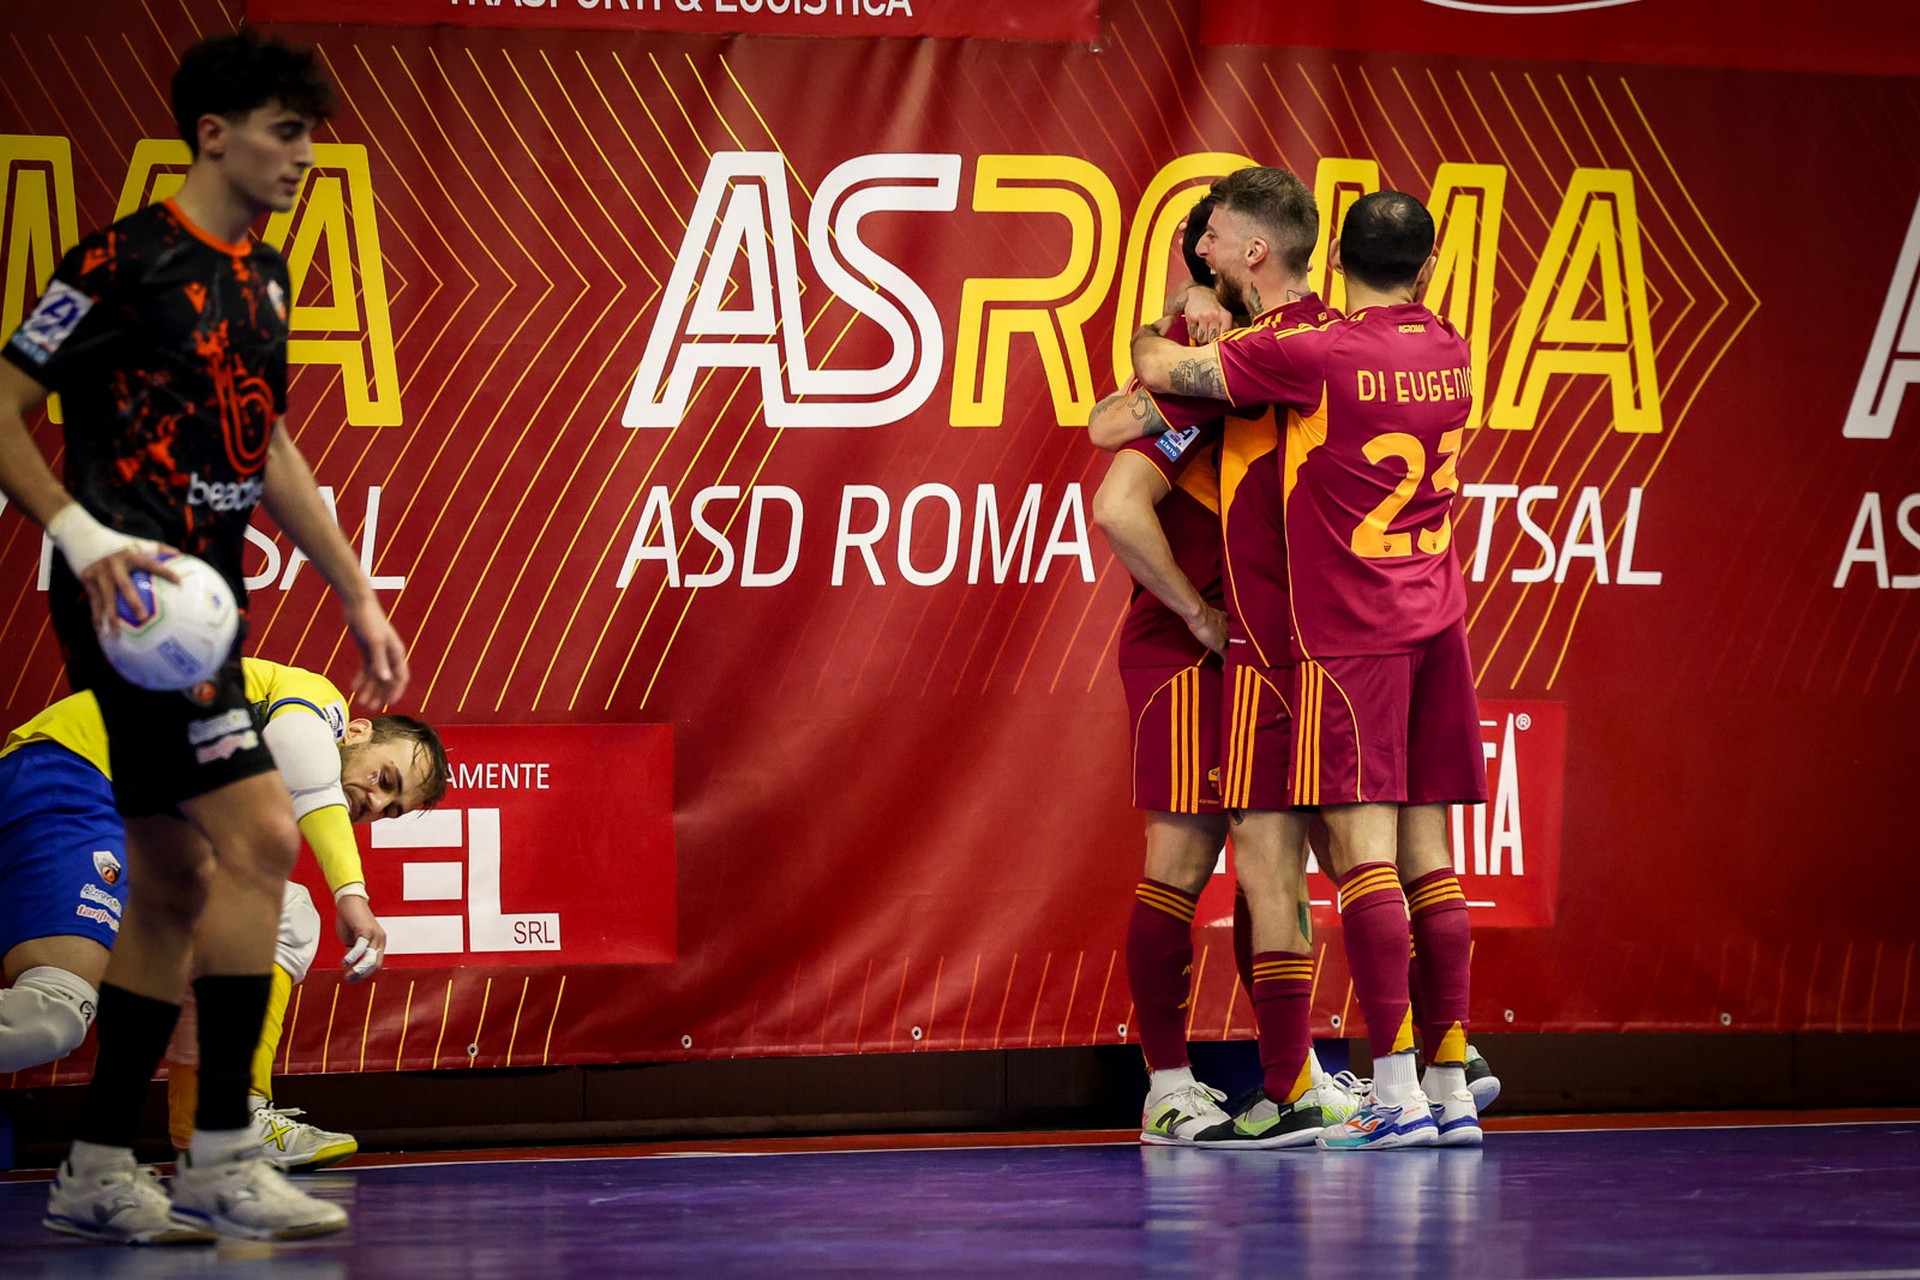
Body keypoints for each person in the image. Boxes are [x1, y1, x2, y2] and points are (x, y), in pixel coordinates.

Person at [0, 30, 409, 1242]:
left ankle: (94, 1167)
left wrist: (355, 590)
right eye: (286, 131)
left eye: (312, 133)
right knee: (267, 831)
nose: (304, 154)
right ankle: (223, 1146)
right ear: (215, 134)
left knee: (176, 879)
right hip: (133, 614)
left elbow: (266, 443)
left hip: (211, 615)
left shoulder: (264, 279)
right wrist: (81, 533)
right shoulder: (117, 264)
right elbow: (3, 405)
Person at [1128, 189, 1490, 1150]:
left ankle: (1395, 1093)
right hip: (1437, 623)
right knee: (1425, 861)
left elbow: (1153, 376)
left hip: (1348, 632)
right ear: (1428, 269)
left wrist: (1172, 314)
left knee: (1356, 857)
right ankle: (1447, 1085)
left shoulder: (1311, 353)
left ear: (1332, 261)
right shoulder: (1451, 348)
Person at [0, 658, 448, 1172]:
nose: (376, 802)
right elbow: (309, 769)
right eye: (384, 778)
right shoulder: (315, 700)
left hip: (130, 827)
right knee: (52, 1013)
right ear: (357, 731)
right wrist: (351, 892)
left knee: (282, 913)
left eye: (392, 808)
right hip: (77, 774)